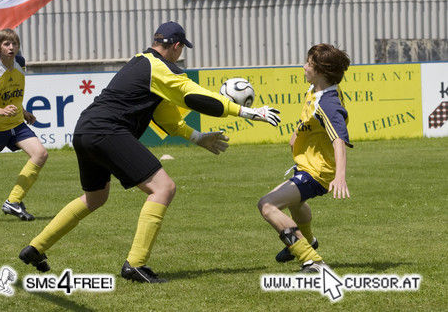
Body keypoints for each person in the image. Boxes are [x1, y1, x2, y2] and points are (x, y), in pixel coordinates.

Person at [19, 21, 281, 282]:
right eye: (181, 49)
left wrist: (198, 137)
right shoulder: (160, 68)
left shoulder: (140, 62)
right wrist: (248, 112)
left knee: (95, 197)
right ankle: (135, 264)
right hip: (107, 130)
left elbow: (167, 117)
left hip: (85, 130)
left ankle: (35, 248)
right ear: (177, 46)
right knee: (163, 188)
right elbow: (195, 96)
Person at [257, 43, 352, 273]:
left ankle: (311, 260)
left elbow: (338, 139)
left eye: (308, 64)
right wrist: (297, 132)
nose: (304, 67)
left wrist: (340, 176)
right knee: (296, 204)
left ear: (320, 71)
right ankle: (308, 240)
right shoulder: (315, 90)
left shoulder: (328, 104)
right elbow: (309, 118)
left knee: (267, 205)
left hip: (318, 172)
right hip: (307, 166)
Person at [0, 28, 48, 223]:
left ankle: (13, 201)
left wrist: (24, 112)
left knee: (41, 154)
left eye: (14, 44)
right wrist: (1, 111)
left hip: (15, 123)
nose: (11, 47)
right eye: (6, 44)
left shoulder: (20, 63)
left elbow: (13, 96)